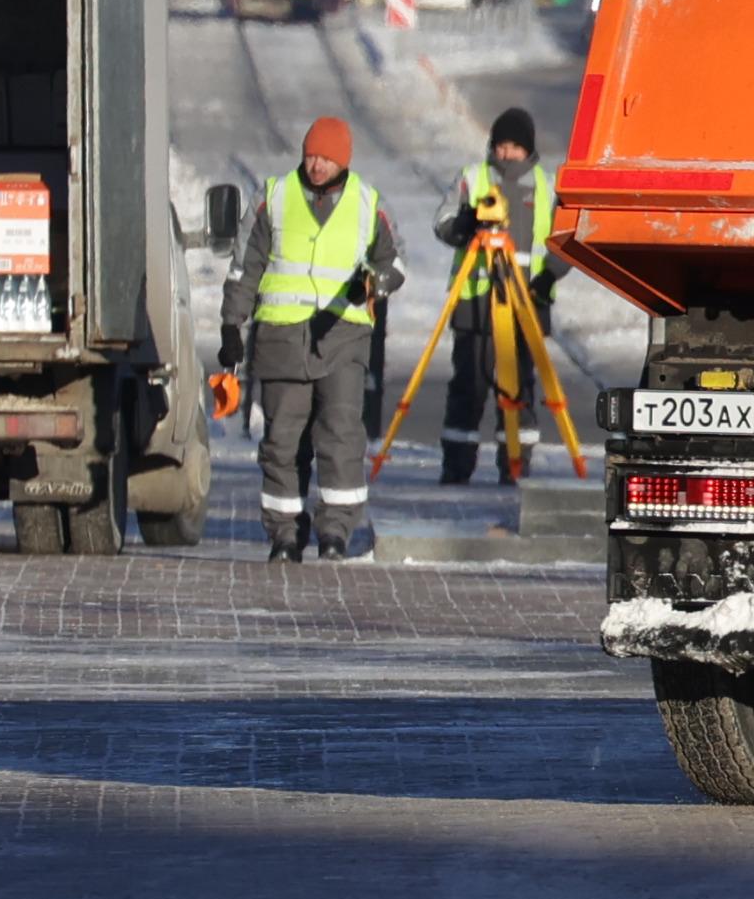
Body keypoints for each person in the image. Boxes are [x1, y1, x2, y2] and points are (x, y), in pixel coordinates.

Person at [218, 116, 404, 560]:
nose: (316, 165)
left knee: (340, 433)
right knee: (282, 439)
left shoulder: (368, 203)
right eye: (310, 155)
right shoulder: (274, 197)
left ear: (343, 161)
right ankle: (284, 532)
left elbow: (395, 266)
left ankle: (335, 532)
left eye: (326, 158)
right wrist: (231, 325)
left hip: (343, 338)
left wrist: (371, 285)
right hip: (281, 339)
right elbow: (245, 267)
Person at [433, 106, 570, 484]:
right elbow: (442, 223)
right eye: (501, 146)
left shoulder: (546, 186)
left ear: (528, 150)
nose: (506, 153)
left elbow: (567, 242)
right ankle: (456, 467)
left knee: (519, 389)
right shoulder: (473, 179)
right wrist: (469, 222)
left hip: (527, 302)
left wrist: (546, 279)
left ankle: (515, 467)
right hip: (476, 304)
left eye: (515, 147)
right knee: (468, 387)